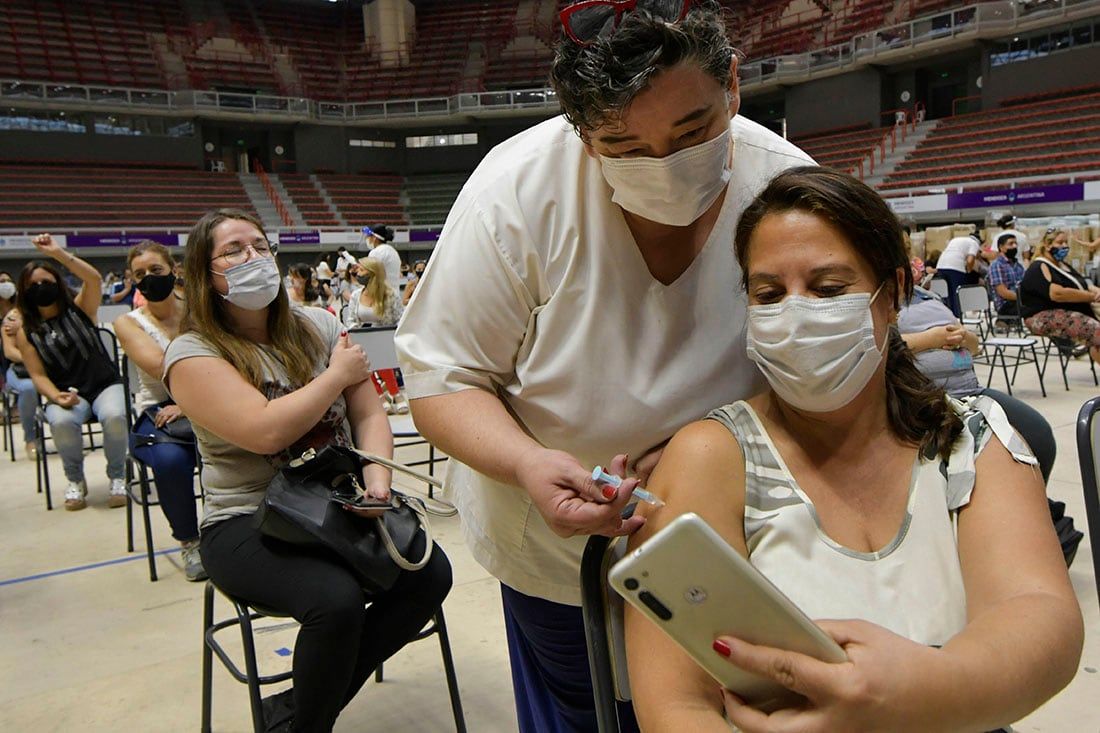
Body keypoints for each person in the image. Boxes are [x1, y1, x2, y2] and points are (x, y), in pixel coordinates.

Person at [395, 2, 813, 729]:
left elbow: (833, 374)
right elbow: (443, 378)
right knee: (583, 703)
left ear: (734, 87)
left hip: (733, 533)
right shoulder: (515, 194)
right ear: (581, 132)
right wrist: (527, 462)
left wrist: (712, 445)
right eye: (623, 147)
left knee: (730, 700)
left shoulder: (786, 187)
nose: (666, 167)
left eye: (692, 130)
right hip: (557, 548)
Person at [624, 167, 1082, 732]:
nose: (794, 315)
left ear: (890, 295)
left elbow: (1040, 616)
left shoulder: (973, 439)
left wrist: (925, 690)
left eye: (828, 288)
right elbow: (675, 705)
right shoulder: (709, 457)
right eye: (768, 294)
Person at [164, 209, 451, 733]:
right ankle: (308, 725)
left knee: (429, 572)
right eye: (233, 250)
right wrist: (336, 375)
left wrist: (378, 485)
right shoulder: (191, 353)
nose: (252, 257)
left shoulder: (318, 325)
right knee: (335, 601)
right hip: (246, 519)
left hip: (334, 501)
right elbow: (265, 432)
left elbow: (367, 414)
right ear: (205, 275)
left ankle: (299, 709)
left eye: (259, 245)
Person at [15, 234, 128, 510]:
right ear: (24, 291)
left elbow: (93, 279)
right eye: (33, 285)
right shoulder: (26, 331)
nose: (41, 288)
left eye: (46, 282)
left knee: (115, 416)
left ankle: (118, 476)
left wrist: (58, 253)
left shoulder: (79, 309)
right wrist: (56, 396)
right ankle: (75, 480)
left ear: (58, 283)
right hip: (65, 392)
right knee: (62, 423)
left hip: (104, 385)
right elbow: (38, 375)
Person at [113, 240, 204, 581]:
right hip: (159, 410)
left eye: (156, 270)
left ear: (174, 270)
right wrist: (183, 402)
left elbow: (228, 355)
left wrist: (191, 403)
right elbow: (162, 367)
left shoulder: (198, 309)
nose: (149, 278)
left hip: (208, 399)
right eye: (140, 274)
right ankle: (189, 541)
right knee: (170, 462)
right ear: (132, 280)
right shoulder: (129, 322)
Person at [1020, 227, 1100, 365]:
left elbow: (1080, 283)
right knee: (1096, 331)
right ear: (1047, 245)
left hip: (1065, 310)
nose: (1064, 246)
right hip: (1041, 315)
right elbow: (1057, 293)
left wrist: (1095, 290)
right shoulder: (1039, 266)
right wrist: (1090, 297)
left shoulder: (1063, 265)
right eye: (1060, 242)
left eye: (1066, 242)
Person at [344, 258, 407, 415]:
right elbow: (351, 320)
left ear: (373, 273)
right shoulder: (356, 296)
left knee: (382, 359)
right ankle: (381, 395)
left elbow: (399, 318)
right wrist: (356, 331)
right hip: (362, 338)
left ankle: (394, 393)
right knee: (366, 363)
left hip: (384, 337)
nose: (357, 273)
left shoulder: (390, 295)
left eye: (361, 270)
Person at [0, 271, 40, 459]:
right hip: (20, 370)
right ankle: (30, 438)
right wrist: (34, 359)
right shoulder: (11, 318)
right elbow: (10, 352)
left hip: (48, 367)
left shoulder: (42, 312)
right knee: (30, 388)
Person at [935, 232, 982, 316]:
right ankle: (957, 317)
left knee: (945, 294)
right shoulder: (974, 243)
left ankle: (945, 316)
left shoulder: (956, 240)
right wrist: (969, 271)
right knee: (957, 294)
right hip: (955, 267)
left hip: (941, 266)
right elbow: (970, 260)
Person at [988, 232, 1025, 321]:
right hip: (1006, 304)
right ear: (1001, 247)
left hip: (1020, 299)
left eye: (1015, 243)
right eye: (1010, 244)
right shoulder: (997, 265)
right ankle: (1002, 321)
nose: (1014, 246)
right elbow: (1003, 292)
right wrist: (1024, 298)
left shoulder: (1018, 265)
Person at [363, 224, 402, 290]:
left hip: (383, 294)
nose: (366, 239)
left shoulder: (376, 252)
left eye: (368, 236)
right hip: (393, 292)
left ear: (374, 238)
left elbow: (370, 275)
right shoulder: (393, 251)